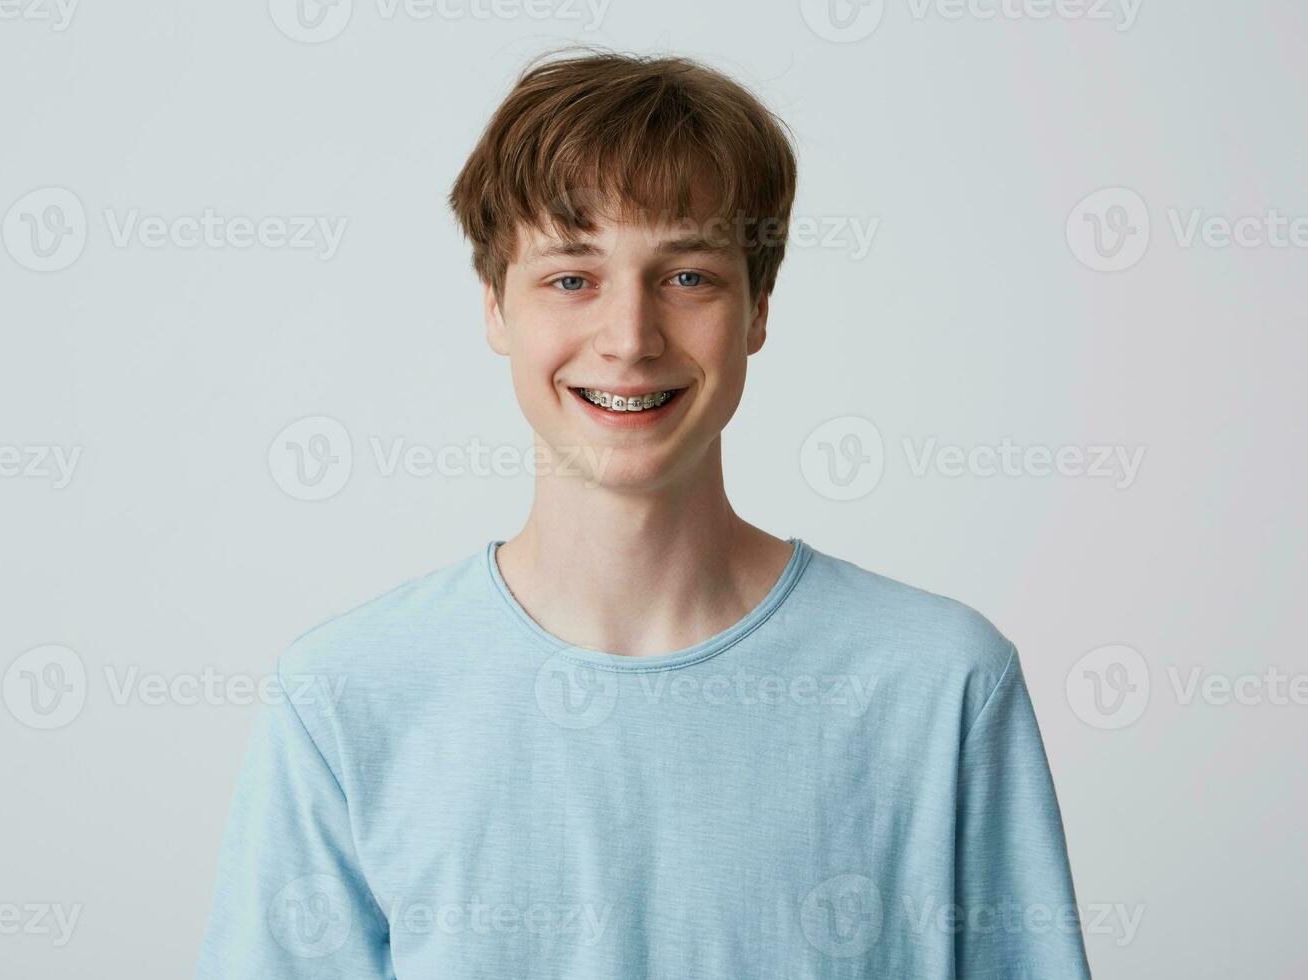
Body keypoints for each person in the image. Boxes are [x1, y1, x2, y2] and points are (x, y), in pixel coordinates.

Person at [194, 47, 1092, 979]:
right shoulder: (346, 695)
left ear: (758, 311)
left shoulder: (938, 684)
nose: (629, 338)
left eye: (689, 276)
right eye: (571, 278)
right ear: (496, 308)